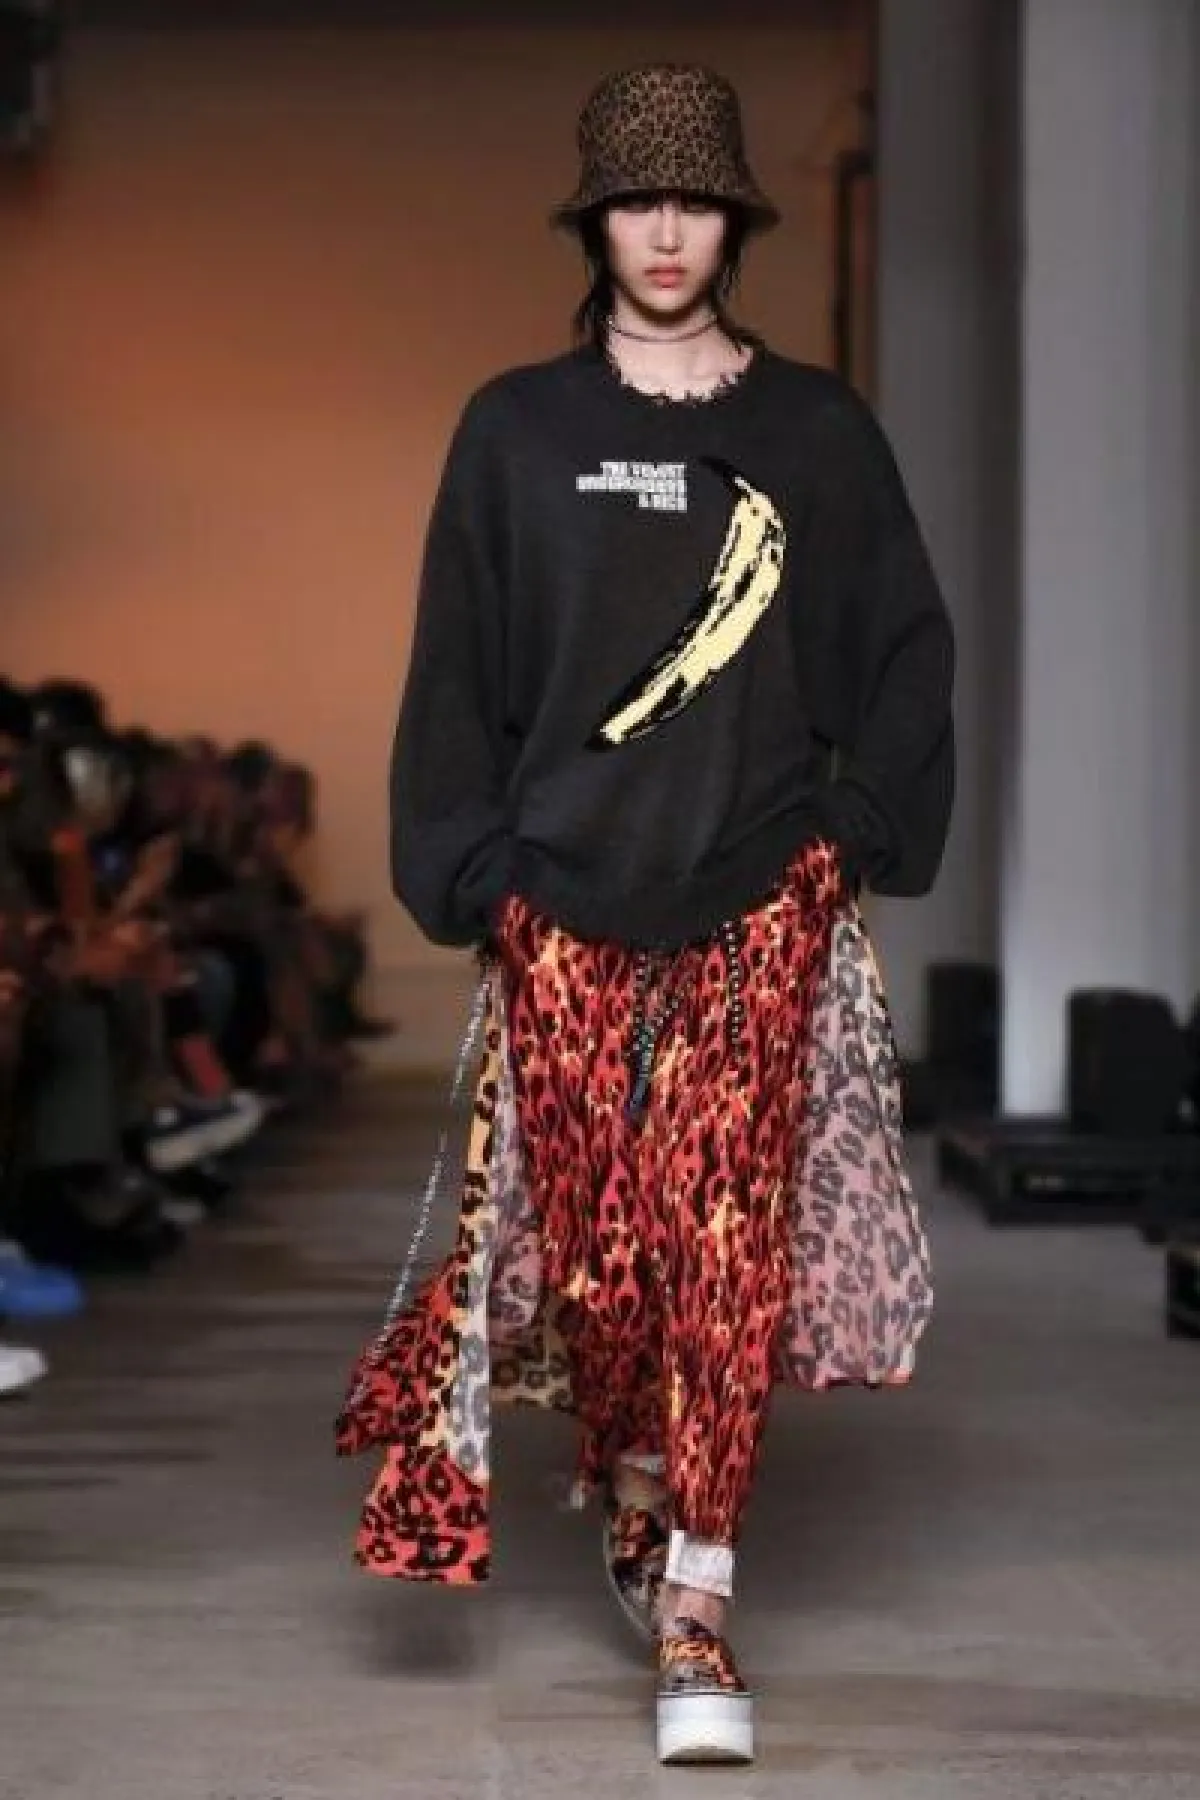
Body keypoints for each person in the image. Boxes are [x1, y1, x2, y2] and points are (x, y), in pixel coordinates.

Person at [337, 63, 954, 1767]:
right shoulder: (516, 431)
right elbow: (457, 664)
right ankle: (625, 1468)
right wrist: (473, 867)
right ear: (593, 223)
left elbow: (906, 644)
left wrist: (853, 833)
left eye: (695, 202)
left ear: (735, 221)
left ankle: (698, 1600)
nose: (667, 232)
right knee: (608, 1265)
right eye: (636, 202)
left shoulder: (815, 433)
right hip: (563, 898)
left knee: (725, 1249)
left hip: (756, 890)